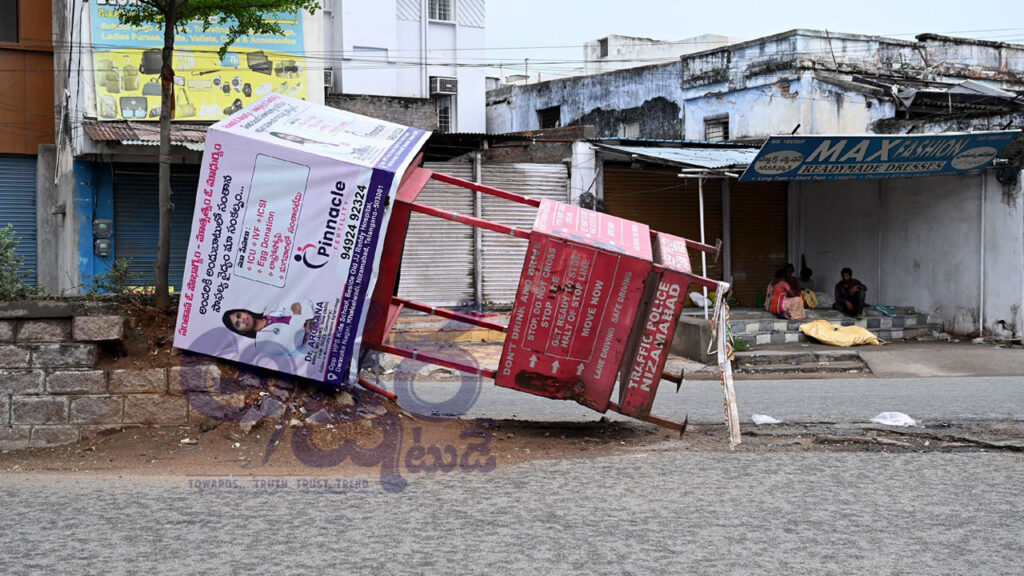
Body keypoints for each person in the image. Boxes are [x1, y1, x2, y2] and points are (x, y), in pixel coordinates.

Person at [222, 301, 314, 354]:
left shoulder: (270, 308)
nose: (241, 320)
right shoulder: (263, 344)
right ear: (241, 332)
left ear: (245, 312)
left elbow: (303, 302)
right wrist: (298, 314)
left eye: (239, 315)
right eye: (237, 324)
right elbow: (294, 343)